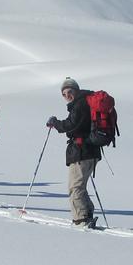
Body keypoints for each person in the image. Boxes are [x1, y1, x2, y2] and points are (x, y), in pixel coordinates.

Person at [46, 77, 101, 228]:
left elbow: (71, 126)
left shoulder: (80, 104)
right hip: (90, 151)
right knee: (80, 186)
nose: (67, 95)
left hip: (82, 152)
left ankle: (81, 219)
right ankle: (87, 213)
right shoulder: (84, 102)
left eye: (70, 91)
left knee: (74, 187)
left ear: (76, 90)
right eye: (64, 94)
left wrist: (55, 123)